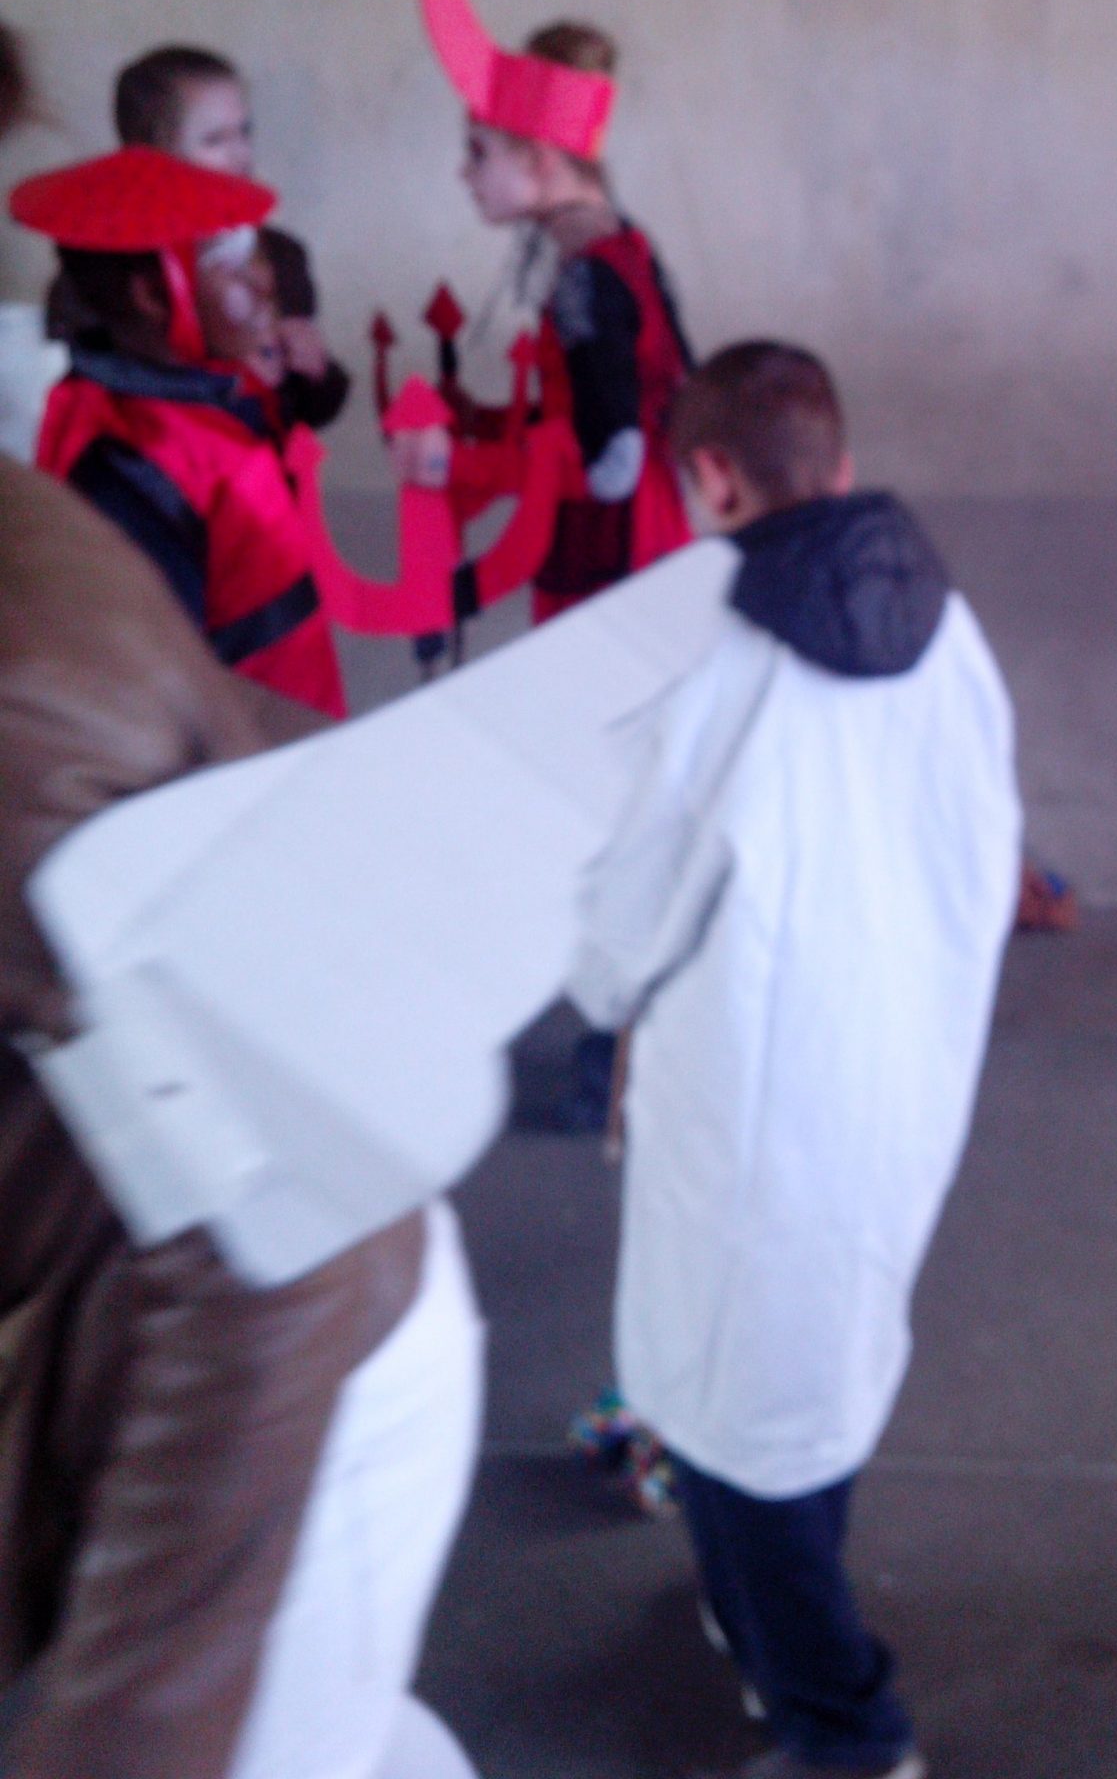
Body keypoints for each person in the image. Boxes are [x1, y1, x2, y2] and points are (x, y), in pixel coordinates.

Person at [0, 380, 476, 1772]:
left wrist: (124, 1743)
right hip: (125, 1327)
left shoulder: (21, 697)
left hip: (262, 1381)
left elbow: (269, 1238)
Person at [569, 341, 1023, 1779]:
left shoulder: (718, 658)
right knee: (813, 1363)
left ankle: (845, 1728)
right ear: (838, 461)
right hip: (901, 1061)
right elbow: (985, 841)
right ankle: (756, 1628)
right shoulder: (949, 627)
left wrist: (598, 991)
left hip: (754, 1089)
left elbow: (631, 906)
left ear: (709, 477)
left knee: (740, 1412)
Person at [415, 0, 693, 620]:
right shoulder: (624, 244)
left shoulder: (584, 277)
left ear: (539, 162)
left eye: (478, 153)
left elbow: (608, 458)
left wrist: (462, 463)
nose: (464, 173)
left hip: (611, 549)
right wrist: (493, 420)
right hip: (647, 527)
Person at [12, 145, 348, 717]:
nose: (266, 281)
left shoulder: (211, 386)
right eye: (230, 263)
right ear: (152, 295)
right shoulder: (127, 470)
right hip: (252, 741)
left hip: (297, 707)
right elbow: (158, 689)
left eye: (256, 252)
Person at [99, 42, 352, 429]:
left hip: (265, 463)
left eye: (245, 132)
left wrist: (313, 370)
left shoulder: (281, 254)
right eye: (215, 139)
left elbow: (306, 413)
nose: (242, 155)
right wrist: (224, 378)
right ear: (150, 154)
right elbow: (95, 405)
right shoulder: (108, 270)